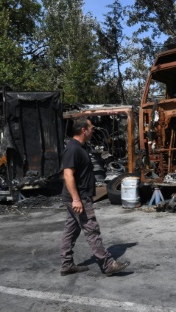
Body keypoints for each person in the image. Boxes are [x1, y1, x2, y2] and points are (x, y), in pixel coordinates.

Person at [59, 118, 129, 276]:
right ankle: (108, 264)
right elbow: (68, 175)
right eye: (91, 128)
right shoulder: (72, 149)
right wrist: (76, 199)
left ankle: (66, 264)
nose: (93, 131)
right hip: (79, 198)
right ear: (84, 130)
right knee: (92, 230)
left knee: (70, 231)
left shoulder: (81, 147)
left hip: (78, 197)